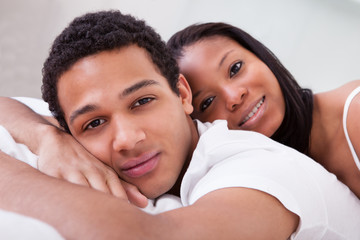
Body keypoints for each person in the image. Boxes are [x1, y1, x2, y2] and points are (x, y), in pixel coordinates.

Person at [1, 10, 360, 239]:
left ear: (181, 95)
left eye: (142, 101)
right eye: (95, 122)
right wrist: (46, 138)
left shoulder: (259, 164)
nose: (127, 139)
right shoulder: (68, 139)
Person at [167, 22, 360, 198]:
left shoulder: (355, 113)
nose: (234, 97)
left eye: (235, 69)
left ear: (261, 56)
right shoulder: (252, 183)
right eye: (207, 102)